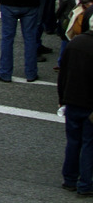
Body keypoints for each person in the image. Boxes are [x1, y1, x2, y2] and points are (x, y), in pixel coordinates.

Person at [59, 15, 93, 195]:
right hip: (90, 105)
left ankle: (69, 179)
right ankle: (86, 184)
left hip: (72, 101)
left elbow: (62, 73)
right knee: (89, 144)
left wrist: (61, 98)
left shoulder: (74, 43)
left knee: (73, 141)